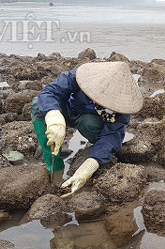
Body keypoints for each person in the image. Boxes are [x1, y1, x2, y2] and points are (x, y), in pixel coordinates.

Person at [31, 61, 143, 195]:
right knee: (38, 104)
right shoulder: (79, 76)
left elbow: (112, 136)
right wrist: (54, 117)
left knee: (90, 123)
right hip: (67, 110)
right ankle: (54, 163)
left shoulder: (122, 107)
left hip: (89, 120)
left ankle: (95, 148)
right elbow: (50, 92)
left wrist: (89, 167)